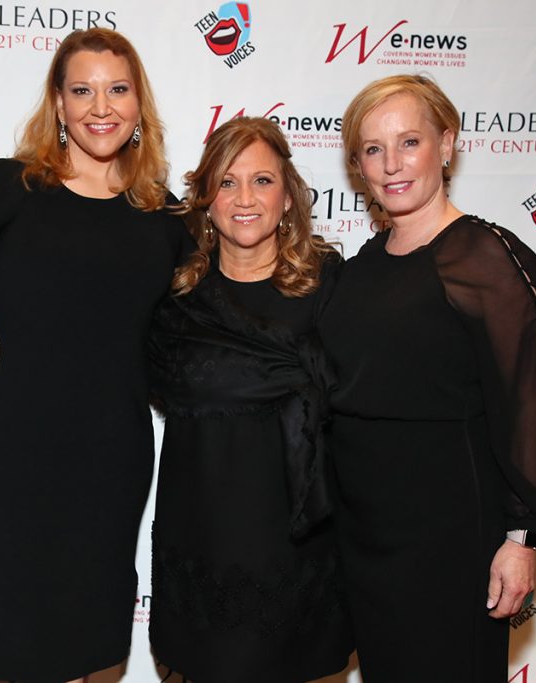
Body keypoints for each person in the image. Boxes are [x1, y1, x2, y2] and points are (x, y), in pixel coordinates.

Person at [319, 74, 536, 682]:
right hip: (366, 534)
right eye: (373, 150)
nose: (391, 165)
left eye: (410, 142)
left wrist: (520, 538)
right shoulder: (360, 268)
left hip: (453, 534)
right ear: (357, 165)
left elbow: (527, 402)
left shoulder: (483, 255)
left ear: (447, 143)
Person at [0, 28, 189, 683]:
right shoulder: (8, 188)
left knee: (97, 650)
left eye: (118, 89)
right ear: (58, 105)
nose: (101, 106)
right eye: (82, 89)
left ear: (139, 103)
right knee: (9, 649)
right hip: (9, 457)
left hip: (110, 461)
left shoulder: (165, 215)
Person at [147, 116, 353, 683]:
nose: (244, 199)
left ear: (287, 196)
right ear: (206, 198)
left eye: (261, 181)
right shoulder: (175, 295)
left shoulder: (329, 287)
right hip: (201, 535)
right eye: (227, 182)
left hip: (294, 539)